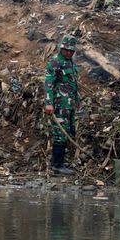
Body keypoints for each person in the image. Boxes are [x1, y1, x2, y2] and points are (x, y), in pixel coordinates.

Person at [44, 35, 80, 175]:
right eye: (67, 50)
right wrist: (49, 103)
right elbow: (48, 83)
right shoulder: (55, 62)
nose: (69, 53)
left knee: (68, 132)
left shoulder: (70, 62)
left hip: (69, 105)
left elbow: (73, 84)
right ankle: (57, 165)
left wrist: (76, 102)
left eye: (72, 51)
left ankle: (60, 162)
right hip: (59, 105)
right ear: (62, 48)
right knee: (60, 133)